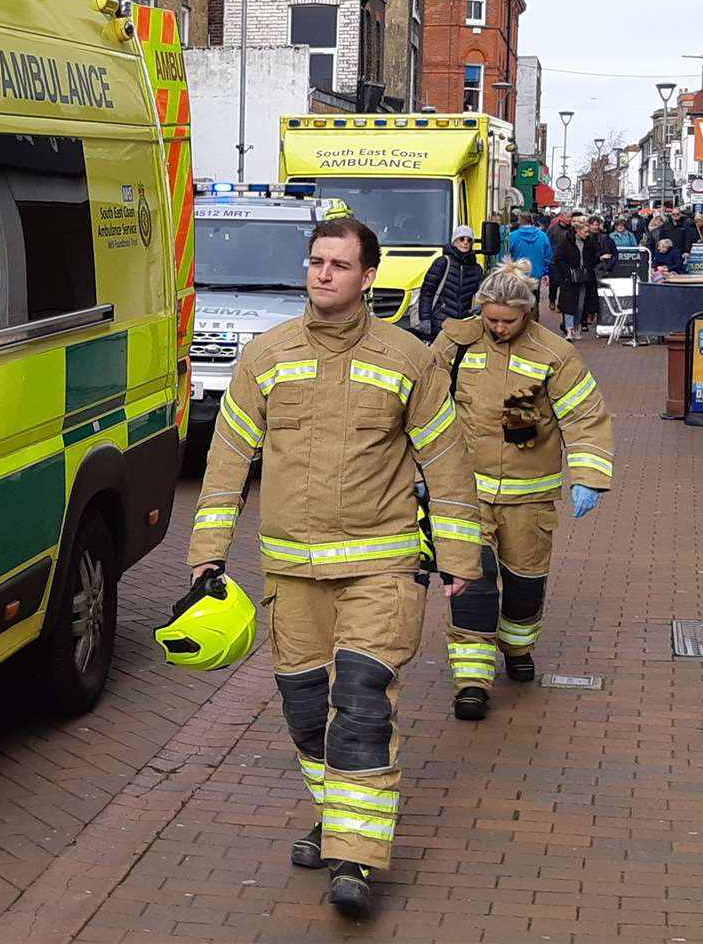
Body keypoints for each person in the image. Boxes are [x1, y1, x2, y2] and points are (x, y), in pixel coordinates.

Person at [188, 216, 481, 918]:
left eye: (339, 264)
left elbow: (446, 464)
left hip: (379, 564)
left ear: (367, 277)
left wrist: (460, 558)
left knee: (360, 703)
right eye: (316, 261)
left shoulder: (408, 359)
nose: (322, 274)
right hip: (290, 574)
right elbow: (227, 461)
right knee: (303, 715)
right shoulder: (264, 356)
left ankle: (355, 856)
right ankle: (337, 814)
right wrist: (206, 557)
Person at [431, 261, 615, 721]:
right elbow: (423, 405)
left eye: (507, 321)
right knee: (470, 586)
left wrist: (588, 476)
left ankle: (517, 648)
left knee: (523, 586)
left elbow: (584, 415)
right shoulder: (456, 343)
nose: (497, 328)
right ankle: (472, 682)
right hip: (465, 493)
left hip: (529, 497)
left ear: (527, 314)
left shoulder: (554, 354)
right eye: (490, 319)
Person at [417, 225, 485, 339]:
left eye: (469, 240)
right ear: (454, 241)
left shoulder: (476, 269)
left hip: (464, 325)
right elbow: (427, 292)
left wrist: (482, 305)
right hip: (439, 325)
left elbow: (485, 291)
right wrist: (425, 318)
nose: (465, 243)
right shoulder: (442, 262)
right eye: (462, 239)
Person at [550, 219, 601, 341]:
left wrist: (595, 261)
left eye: (588, 232)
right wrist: (568, 272)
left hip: (584, 277)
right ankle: (569, 329)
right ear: (577, 231)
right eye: (585, 232)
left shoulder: (589, 242)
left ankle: (576, 327)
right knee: (568, 304)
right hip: (569, 278)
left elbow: (595, 255)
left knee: (580, 305)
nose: (587, 234)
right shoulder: (565, 241)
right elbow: (559, 258)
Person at [503, 215, 553, 313]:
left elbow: (505, 254)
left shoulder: (512, 236)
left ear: (520, 222)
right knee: (534, 300)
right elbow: (548, 255)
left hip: (518, 273)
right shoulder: (542, 236)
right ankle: (533, 322)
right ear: (532, 221)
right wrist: (545, 271)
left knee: (518, 299)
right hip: (536, 274)